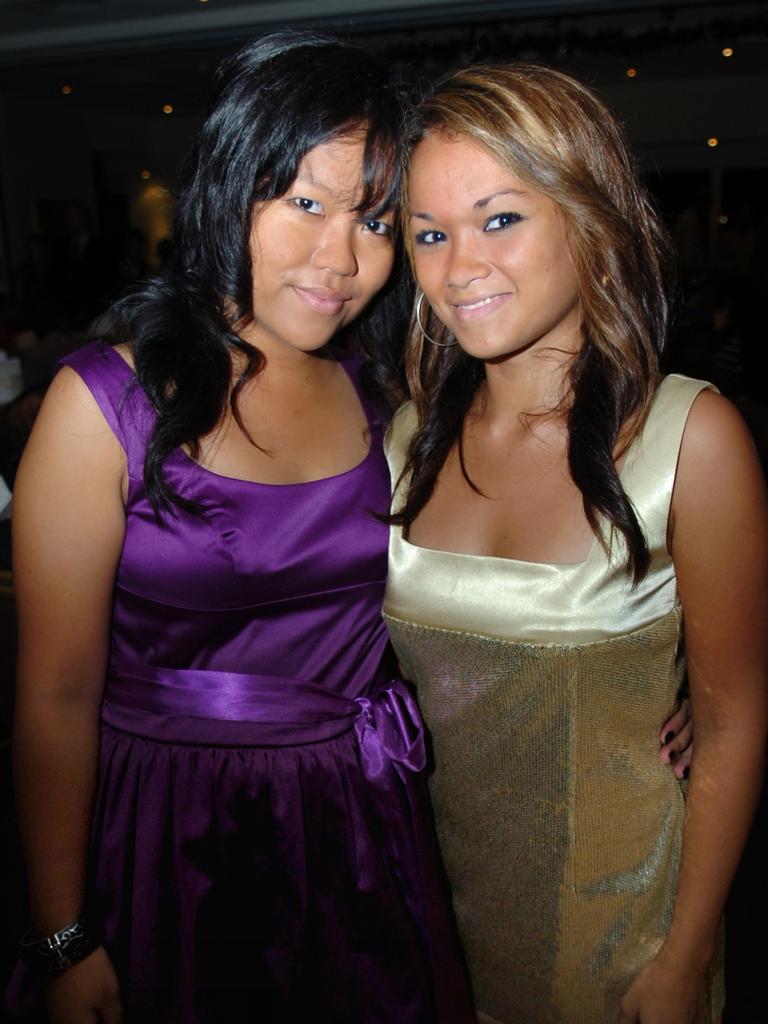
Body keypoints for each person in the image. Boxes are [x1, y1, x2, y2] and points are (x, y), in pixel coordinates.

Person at [7, 33, 474, 1024]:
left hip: (355, 824)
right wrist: (64, 933)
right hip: (169, 830)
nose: (341, 259)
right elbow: (54, 693)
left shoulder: (383, 391)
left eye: (376, 221)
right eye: (304, 201)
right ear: (231, 187)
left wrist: (639, 659)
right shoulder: (104, 403)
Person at [381, 62, 768, 1024]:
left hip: (620, 921)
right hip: (425, 917)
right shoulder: (402, 436)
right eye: (430, 233)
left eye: (500, 217)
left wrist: (684, 956)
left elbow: (732, 724)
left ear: (588, 218)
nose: (458, 265)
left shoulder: (693, 440)